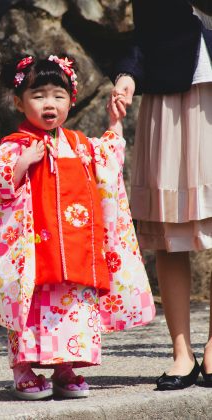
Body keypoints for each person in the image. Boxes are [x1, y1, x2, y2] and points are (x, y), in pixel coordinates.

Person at [0, 53, 155, 400]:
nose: (50, 104)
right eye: (39, 95)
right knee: (30, 307)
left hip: (75, 251)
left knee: (71, 306)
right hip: (31, 253)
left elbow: (108, 164)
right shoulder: (15, 146)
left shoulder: (77, 145)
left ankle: (64, 368)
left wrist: (115, 122)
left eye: (58, 96)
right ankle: (23, 370)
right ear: (19, 101)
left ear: (70, 101)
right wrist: (20, 166)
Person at [110, 0, 212, 390]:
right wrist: (127, 75)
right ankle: (181, 353)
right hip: (168, 100)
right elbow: (144, 34)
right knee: (169, 234)